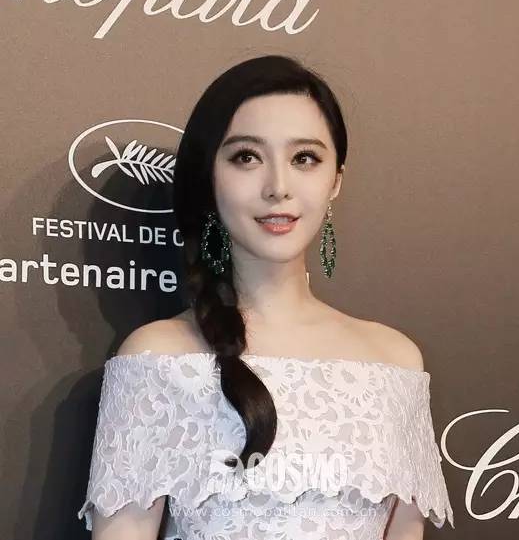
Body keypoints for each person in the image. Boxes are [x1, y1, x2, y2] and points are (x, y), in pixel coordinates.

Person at [77, 54, 454, 540]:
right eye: (246, 157)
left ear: (336, 180)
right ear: (209, 178)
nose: (278, 187)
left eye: (305, 159)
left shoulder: (395, 362)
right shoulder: (156, 359)